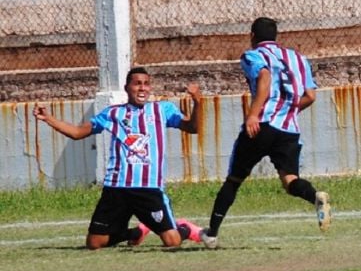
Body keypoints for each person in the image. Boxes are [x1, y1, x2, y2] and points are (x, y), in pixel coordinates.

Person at [32, 67, 205, 249]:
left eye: (146, 84)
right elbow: (77, 132)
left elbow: (192, 127)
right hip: (116, 188)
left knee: (172, 242)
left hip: (148, 188)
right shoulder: (113, 114)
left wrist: (198, 102)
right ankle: (136, 233)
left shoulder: (162, 110)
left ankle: (184, 228)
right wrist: (48, 118)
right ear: (127, 88)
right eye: (137, 84)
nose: (142, 88)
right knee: (94, 243)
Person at [200, 17, 331, 248]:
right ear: (276, 36)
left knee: (234, 180)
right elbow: (310, 96)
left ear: (252, 36)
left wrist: (253, 114)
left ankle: (212, 233)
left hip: (261, 125)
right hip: (288, 129)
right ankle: (316, 197)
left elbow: (265, 78)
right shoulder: (298, 58)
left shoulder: (252, 55)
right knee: (290, 179)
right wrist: (288, 109)